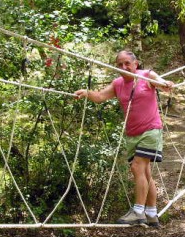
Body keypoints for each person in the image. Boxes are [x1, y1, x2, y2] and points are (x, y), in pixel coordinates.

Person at [74, 50, 174, 226]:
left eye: (127, 63)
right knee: (145, 172)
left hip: (151, 130)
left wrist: (165, 83)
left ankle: (137, 212)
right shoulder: (117, 84)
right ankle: (151, 213)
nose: (124, 67)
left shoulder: (146, 75)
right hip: (132, 134)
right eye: (120, 64)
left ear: (136, 63)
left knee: (137, 168)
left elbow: (160, 82)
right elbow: (99, 97)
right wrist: (86, 93)